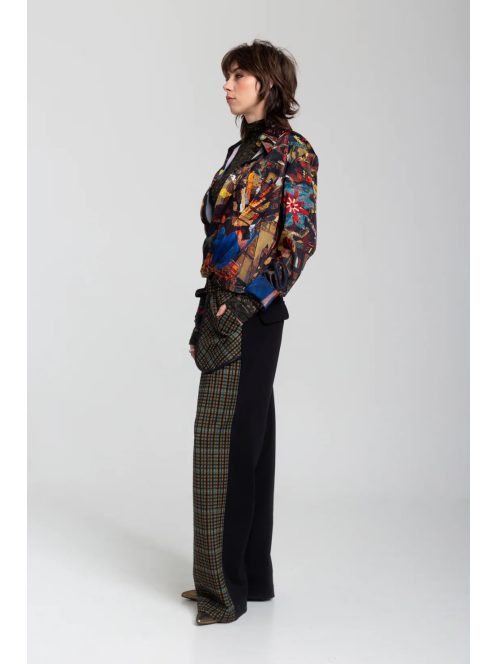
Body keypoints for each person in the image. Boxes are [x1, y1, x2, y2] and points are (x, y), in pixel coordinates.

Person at [183, 39, 319, 625]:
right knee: (250, 446)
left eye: (238, 75)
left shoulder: (293, 152)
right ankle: (250, 580)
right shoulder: (242, 150)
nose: (227, 85)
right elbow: (222, 238)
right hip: (222, 308)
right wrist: (205, 314)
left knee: (223, 446)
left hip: (250, 315)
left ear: (268, 83)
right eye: (228, 75)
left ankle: (223, 593)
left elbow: (300, 241)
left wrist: (245, 303)